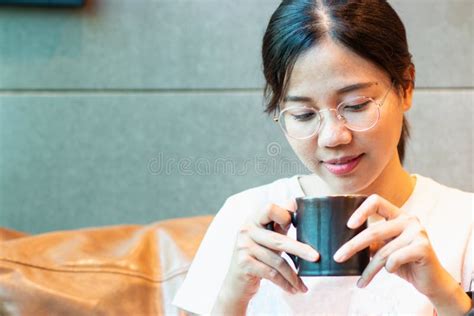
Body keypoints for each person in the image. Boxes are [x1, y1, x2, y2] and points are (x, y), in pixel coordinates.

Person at [173, 0, 473, 315]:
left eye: (356, 105)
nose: (333, 137)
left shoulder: (466, 222)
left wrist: (446, 295)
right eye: (303, 114)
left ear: (406, 87)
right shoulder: (243, 217)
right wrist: (232, 296)